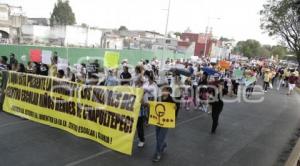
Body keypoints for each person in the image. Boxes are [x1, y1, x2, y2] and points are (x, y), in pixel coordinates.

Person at [152, 86, 176, 162]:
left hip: (165, 123)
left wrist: (175, 107)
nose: (164, 91)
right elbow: (154, 106)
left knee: (160, 138)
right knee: (157, 137)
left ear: (169, 92)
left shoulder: (171, 99)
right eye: (163, 90)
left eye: (165, 90)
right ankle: (164, 144)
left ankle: (158, 154)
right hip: (157, 121)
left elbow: (174, 109)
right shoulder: (159, 98)